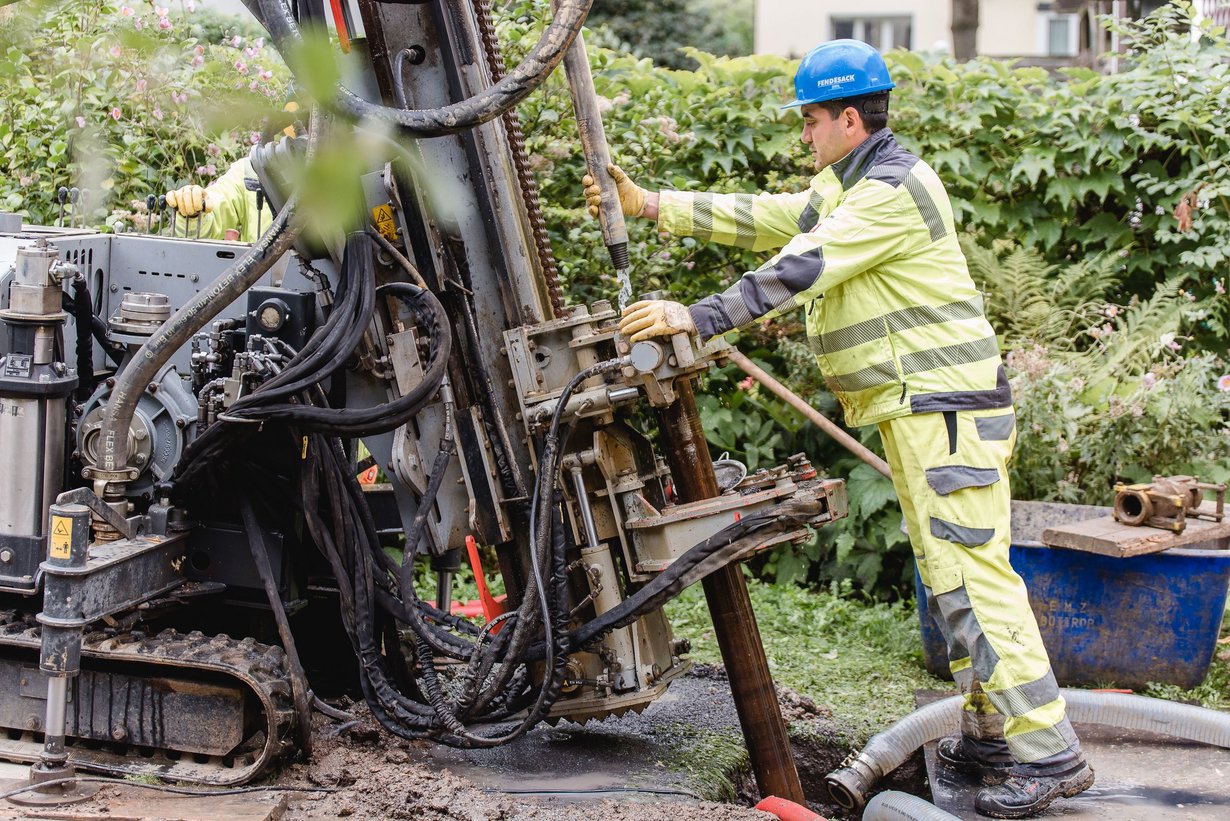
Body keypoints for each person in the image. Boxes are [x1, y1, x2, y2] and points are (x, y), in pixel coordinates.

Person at [588, 39, 1094, 819]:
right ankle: (993, 735)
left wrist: (696, 316)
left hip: (944, 412)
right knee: (951, 578)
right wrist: (651, 203)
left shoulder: (889, 191)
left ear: (849, 119)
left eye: (812, 120)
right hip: (921, 411)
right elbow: (772, 221)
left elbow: (801, 264)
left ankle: (1050, 753)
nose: (804, 134)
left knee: (974, 580)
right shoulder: (849, 183)